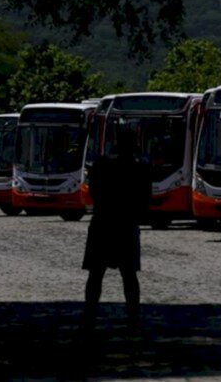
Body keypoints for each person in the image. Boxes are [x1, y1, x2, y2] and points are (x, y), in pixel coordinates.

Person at [82, 126, 147, 332]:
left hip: (102, 223)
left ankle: (90, 315)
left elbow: (93, 192)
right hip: (125, 226)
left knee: (96, 274)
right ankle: (133, 317)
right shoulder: (140, 169)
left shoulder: (100, 165)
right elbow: (145, 200)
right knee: (129, 275)